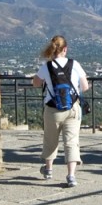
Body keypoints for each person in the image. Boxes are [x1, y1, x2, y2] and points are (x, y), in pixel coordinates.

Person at [32, 35, 90, 187]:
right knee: (71, 142)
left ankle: (48, 169)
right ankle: (71, 175)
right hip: (72, 108)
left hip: (52, 109)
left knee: (51, 140)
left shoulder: (47, 66)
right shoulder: (74, 64)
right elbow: (85, 87)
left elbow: (36, 83)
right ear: (65, 49)